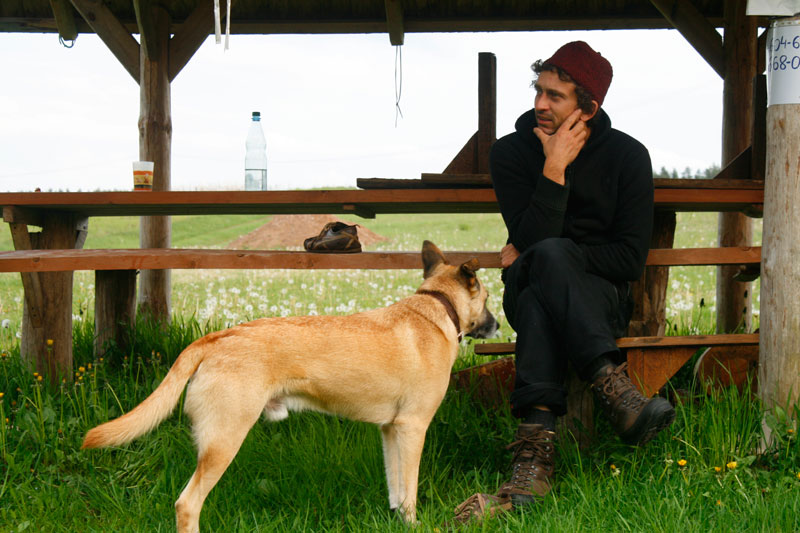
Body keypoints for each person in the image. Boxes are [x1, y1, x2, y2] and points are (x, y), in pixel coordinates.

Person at [454, 41, 675, 522]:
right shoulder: (511, 154)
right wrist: (553, 168)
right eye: (539, 90)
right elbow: (533, 240)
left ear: (589, 107)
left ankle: (531, 460)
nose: (540, 103)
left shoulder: (628, 156)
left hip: (601, 299)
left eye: (555, 95)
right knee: (539, 273)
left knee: (540, 279)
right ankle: (614, 391)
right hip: (540, 291)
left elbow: (627, 261)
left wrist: (545, 253)